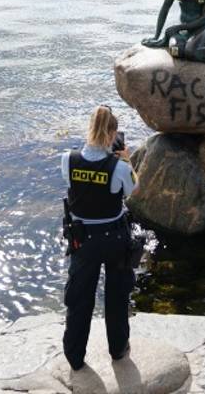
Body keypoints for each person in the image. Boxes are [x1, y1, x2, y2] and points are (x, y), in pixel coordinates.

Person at [61, 105, 139, 371]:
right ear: (112, 134)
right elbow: (133, 190)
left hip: (82, 240)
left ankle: (74, 357)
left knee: (79, 298)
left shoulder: (68, 160)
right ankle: (118, 349)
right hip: (115, 238)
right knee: (117, 296)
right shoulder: (118, 166)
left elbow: (75, 190)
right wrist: (127, 160)